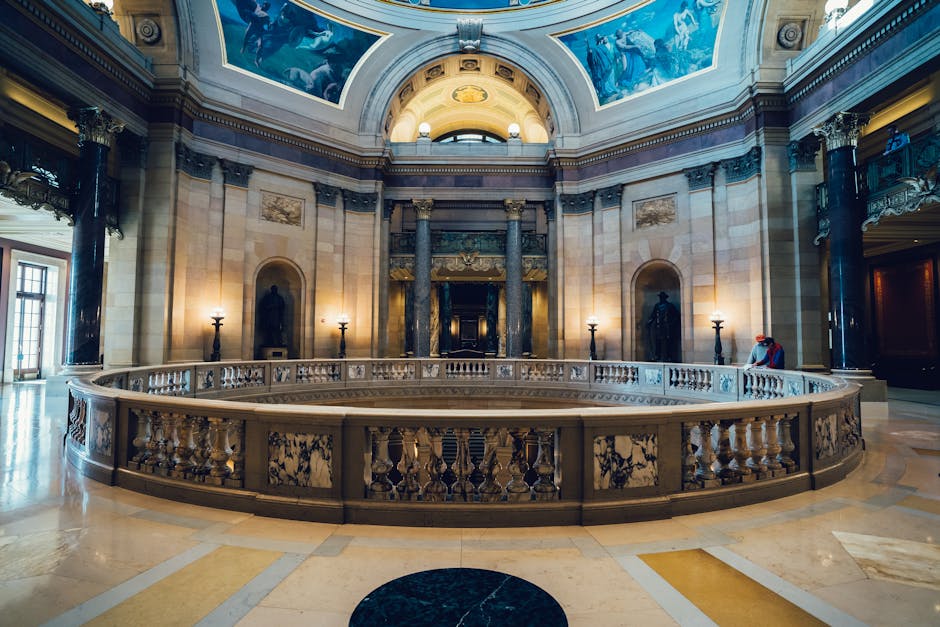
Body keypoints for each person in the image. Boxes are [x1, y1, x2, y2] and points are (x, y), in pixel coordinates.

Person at [647, 291, 680, 362]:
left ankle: (669, 356)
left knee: (668, 342)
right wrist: (649, 322)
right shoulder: (657, 306)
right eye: (660, 297)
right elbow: (653, 315)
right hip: (659, 327)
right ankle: (657, 356)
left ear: (665, 298)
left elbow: (676, 315)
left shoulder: (670, 306)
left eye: (662, 297)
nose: (661, 298)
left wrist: (672, 323)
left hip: (668, 327)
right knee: (658, 342)